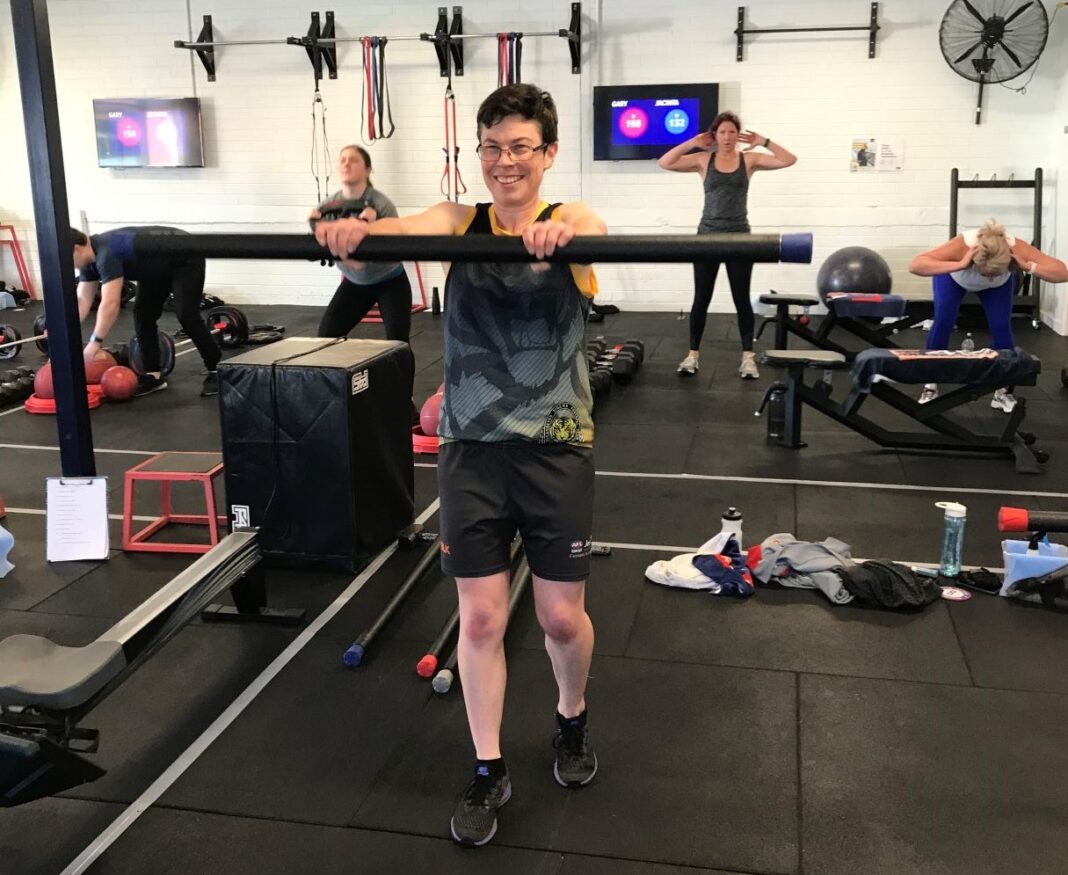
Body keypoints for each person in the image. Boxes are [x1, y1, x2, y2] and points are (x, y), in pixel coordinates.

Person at [316, 83, 605, 849]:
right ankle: (487, 767)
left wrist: (560, 236)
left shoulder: (569, 221)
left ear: (546, 154)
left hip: (554, 447)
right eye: (491, 147)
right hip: (472, 449)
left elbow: (590, 224)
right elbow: (406, 225)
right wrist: (357, 232)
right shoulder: (459, 220)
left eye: (520, 147)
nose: (504, 162)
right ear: (478, 153)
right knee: (478, 617)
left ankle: (570, 720)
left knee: (557, 617)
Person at [658, 111, 796, 379]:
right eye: (722, 132)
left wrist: (764, 141)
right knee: (701, 298)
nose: (728, 137)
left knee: (741, 299)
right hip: (707, 237)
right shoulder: (702, 159)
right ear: (715, 135)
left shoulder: (749, 160)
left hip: (740, 238)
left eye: (732, 132)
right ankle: (692, 355)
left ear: (738, 135)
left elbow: (789, 160)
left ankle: (748, 358)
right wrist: (693, 142)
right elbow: (665, 162)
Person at [908, 220, 1068, 411]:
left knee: (1002, 329)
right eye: (985, 273)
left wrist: (1028, 266)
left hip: (997, 288)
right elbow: (916, 265)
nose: (989, 277)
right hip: (953, 278)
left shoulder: (1017, 248)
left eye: (995, 273)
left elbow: (1062, 272)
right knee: (943, 322)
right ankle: (930, 385)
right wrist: (960, 263)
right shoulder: (961, 245)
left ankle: (1001, 392)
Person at [310, 145, 416, 411]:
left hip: (389, 282)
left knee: (398, 343)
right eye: (342, 159)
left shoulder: (380, 203)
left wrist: (348, 249)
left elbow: (376, 236)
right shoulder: (329, 204)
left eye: (354, 160)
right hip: (355, 286)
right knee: (325, 337)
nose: (346, 164)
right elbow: (314, 224)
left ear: (367, 169)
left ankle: (404, 401)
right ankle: (331, 397)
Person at [71, 226, 221, 396]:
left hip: (185, 257)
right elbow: (83, 300)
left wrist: (95, 343)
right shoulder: (88, 262)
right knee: (143, 315)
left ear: (76, 249)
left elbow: (110, 303)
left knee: (187, 315)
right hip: (155, 268)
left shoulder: (107, 253)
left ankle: (217, 370)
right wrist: (62, 332)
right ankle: (153, 376)